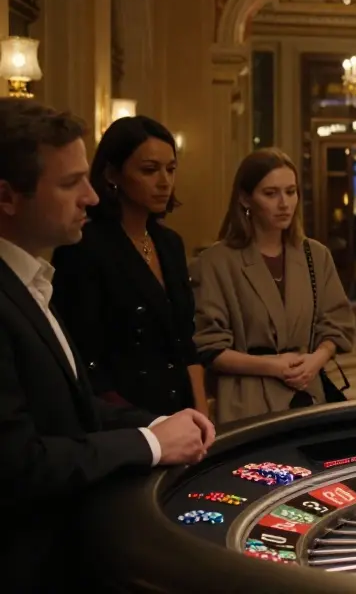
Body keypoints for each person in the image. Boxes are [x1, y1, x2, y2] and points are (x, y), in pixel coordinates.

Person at [0, 101, 213, 591]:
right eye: (70, 182)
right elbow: (17, 465)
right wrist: (150, 442)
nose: (91, 198)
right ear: (8, 197)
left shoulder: (32, 280)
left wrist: (159, 423)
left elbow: (71, 408)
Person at [51, 115, 207, 418]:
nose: (164, 181)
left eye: (171, 169)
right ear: (113, 173)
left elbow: (185, 342)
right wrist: (146, 426)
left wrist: (201, 413)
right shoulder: (84, 246)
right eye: (149, 170)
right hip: (122, 420)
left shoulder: (169, 243)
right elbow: (84, 358)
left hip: (181, 411)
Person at [192, 149, 355, 424]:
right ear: (245, 198)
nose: (284, 203)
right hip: (245, 401)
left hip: (308, 393)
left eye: (291, 192)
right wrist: (273, 366)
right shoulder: (214, 262)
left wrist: (317, 359)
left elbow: (336, 323)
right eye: (271, 194)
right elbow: (208, 347)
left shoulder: (315, 255)